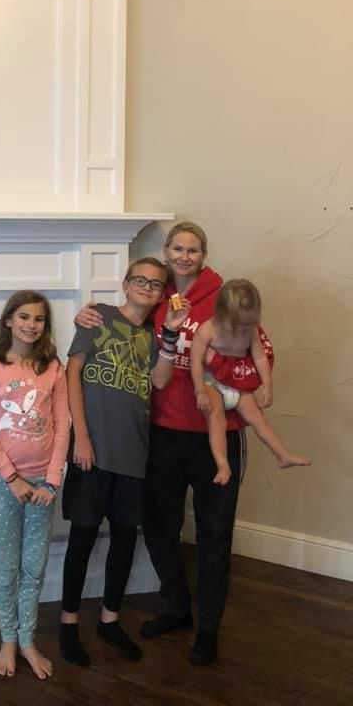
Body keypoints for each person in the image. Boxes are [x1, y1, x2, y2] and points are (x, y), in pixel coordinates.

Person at [73, 222, 240, 666]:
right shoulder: (156, 298)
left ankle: (208, 629)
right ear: (166, 252)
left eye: (194, 249)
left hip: (214, 433)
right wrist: (87, 314)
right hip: (162, 432)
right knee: (161, 527)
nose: (185, 256)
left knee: (213, 533)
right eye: (177, 249)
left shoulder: (222, 297)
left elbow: (251, 349)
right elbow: (117, 330)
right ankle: (177, 607)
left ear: (203, 254)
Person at [58, 257, 190, 668]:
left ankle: (110, 619)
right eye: (141, 281)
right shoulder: (98, 317)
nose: (148, 288)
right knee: (82, 536)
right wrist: (81, 436)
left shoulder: (154, 335)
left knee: (124, 538)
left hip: (134, 453)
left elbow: (161, 380)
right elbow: (72, 373)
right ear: (126, 283)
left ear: (162, 292)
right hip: (91, 450)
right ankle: (68, 622)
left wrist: (169, 333)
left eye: (156, 284)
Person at [0, 290, 70, 680]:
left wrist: (52, 481)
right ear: (9, 321)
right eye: (24, 317)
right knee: (7, 565)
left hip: (43, 485)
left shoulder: (53, 369)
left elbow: (63, 426)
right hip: (4, 483)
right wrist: (10, 478)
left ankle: (28, 639)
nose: (32, 325)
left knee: (34, 565)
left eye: (39, 319)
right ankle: (7, 639)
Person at [191, 278, 310, 485]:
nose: (241, 329)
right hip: (212, 381)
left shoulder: (251, 331)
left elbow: (260, 358)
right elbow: (195, 362)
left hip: (236, 381)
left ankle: (282, 455)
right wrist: (200, 390)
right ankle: (222, 464)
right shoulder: (207, 330)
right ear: (220, 313)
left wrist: (267, 386)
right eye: (236, 324)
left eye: (248, 324)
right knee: (217, 419)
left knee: (258, 418)